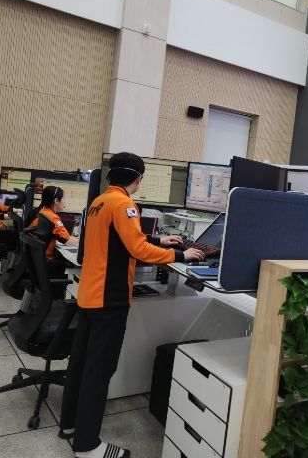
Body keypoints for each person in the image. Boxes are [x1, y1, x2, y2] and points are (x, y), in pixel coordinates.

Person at [59, 152, 204, 458]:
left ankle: (70, 425)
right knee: (99, 372)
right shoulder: (125, 204)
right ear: (138, 179)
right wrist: (181, 255)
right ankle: (87, 446)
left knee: (80, 364)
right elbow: (138, 250)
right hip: (109, 300)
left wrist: (158, 240)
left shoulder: (100, 202)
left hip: (89, 295)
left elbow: (119, 237)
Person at [28, 185, 79, 260]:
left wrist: (78, 239)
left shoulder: (43, 211)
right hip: (47, 260)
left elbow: (63, 237)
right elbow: (68, 241)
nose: (65, 201)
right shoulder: (53, 218)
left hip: (36, 259)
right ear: (56, 201)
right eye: (63, 198)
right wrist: (87, 242)